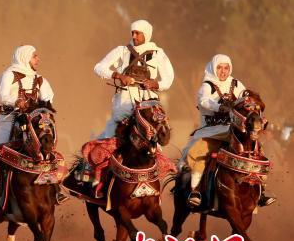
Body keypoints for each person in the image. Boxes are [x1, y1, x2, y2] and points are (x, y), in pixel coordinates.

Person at [180, 54, 275, 207]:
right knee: (197, 152)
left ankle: (262, 191)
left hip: (234, 130)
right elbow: (204, 101)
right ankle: (195, 190)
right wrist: (220, 106)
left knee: (258, 152)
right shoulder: (207, 85)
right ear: (213, 68)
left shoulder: (237, 84)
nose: (223, 71)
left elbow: (246, 100)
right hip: (211, 131)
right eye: (219, 67)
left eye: (226, 68)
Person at [0, 45, 56, 211]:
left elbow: (48, 97)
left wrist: (43, 107)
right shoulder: (10, 74)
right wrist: (15, 102)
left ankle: (55, 188)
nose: (37, 59)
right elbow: (2, 96)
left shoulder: (40, 78)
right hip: (10, 120)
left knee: (48, 147)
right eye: (34, 56)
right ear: (24, 57)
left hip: (33, 122)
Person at [94, 19, 174, 139]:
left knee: (155, 138)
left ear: (146, 34)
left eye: (137, 33)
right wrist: (119, 76)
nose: (134, 36)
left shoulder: (158, 53)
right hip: (124, 100)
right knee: (111, 134)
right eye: (132, 33)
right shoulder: (122, 51)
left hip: (148, 100)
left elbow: (169, 78)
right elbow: (99, 68)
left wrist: (154, 84)